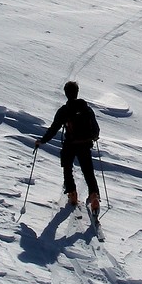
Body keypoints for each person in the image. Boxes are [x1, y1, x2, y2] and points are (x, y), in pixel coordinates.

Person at [36, 81, 101, 211]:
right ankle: (94, 195)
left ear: (66, 93)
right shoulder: (86, 109)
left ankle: (72, 194)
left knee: (67, 168)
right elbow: (96, 128)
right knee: (88, 171)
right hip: (85, 143)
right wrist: (93, 136)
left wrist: (42, 141)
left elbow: (54, 129)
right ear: (77, 92)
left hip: (70, 144)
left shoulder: (64, 111)